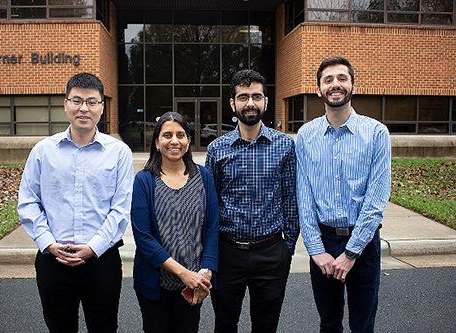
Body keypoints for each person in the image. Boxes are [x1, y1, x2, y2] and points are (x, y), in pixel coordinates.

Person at [17, 73, 134, 333]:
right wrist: (48, 243)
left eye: (92, 102)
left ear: (102, 107)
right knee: (59, 327)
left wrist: (93, 247)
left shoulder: (119, 152)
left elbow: (120, 208)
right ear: (65, 104)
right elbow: (28, 202)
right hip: (53, 260)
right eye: (77, 100)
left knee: (104, 327)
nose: (84, 108)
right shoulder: (43, 151)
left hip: (101, 261)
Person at [296, 56, 391, 332]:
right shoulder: (306, 135)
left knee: (362, 325)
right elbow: (304, 197)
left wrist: (351, 252)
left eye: (341, 78)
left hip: (363, 243)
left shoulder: (376, 133)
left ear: (352, 85)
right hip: (324, 244)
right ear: (319, 89)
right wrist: (316, 250)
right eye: (328, 80)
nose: (335, 84)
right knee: (328, 324)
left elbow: (376, 199)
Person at [205, 69, 299, 333]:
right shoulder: (217, 149)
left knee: (266, 326)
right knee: (224, 325)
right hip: (227, 254)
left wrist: (286, 249)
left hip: (271, 253)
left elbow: (291, 200)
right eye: (243, 97)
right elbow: (211, 207)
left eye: (256, 96)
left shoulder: (284, 146)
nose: (250, 103)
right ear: (232, 103)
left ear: (266, 102)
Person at [131, 111, 219, 333]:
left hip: (194, 284)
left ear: (188, 141)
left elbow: (211, 227)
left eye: (181, 135)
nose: (174, 141)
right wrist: (183, 273)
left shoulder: (203, 177)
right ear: (157, 141)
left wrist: (205, 273)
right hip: (156, 284)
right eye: (167, 135)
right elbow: (143, 237)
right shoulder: (144, 180)